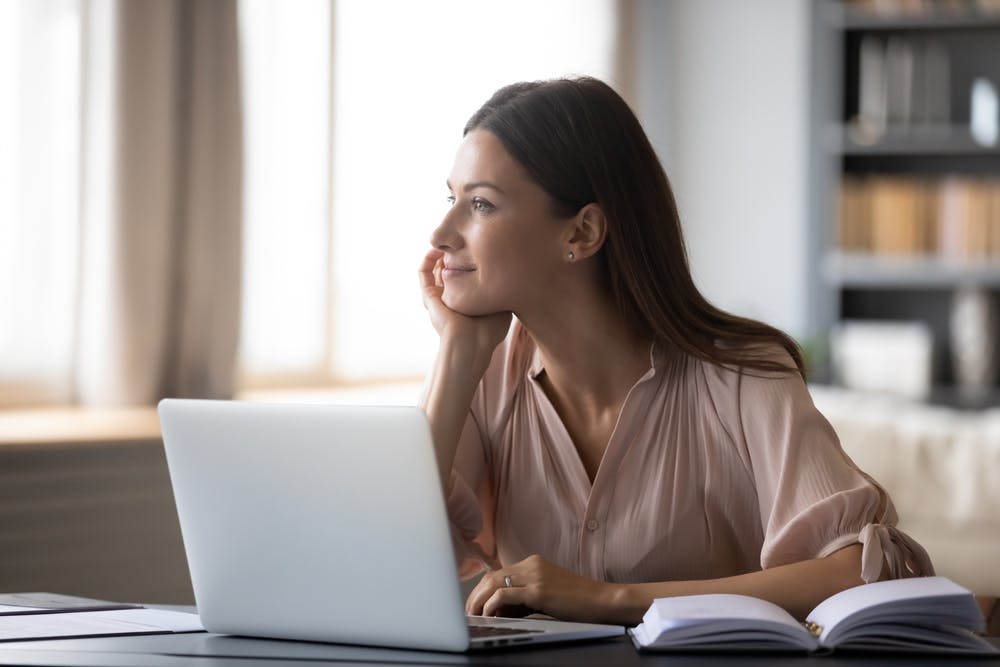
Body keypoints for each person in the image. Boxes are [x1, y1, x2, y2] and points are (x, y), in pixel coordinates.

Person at [418, 77, 933, 627]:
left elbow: (862, 571)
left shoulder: (741, 375)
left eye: (480, 204)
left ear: (583, 232)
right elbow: (392, 563)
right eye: (452, 198)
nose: (442, 232)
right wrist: (455, 354)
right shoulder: (482, 373)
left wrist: (608, 598)